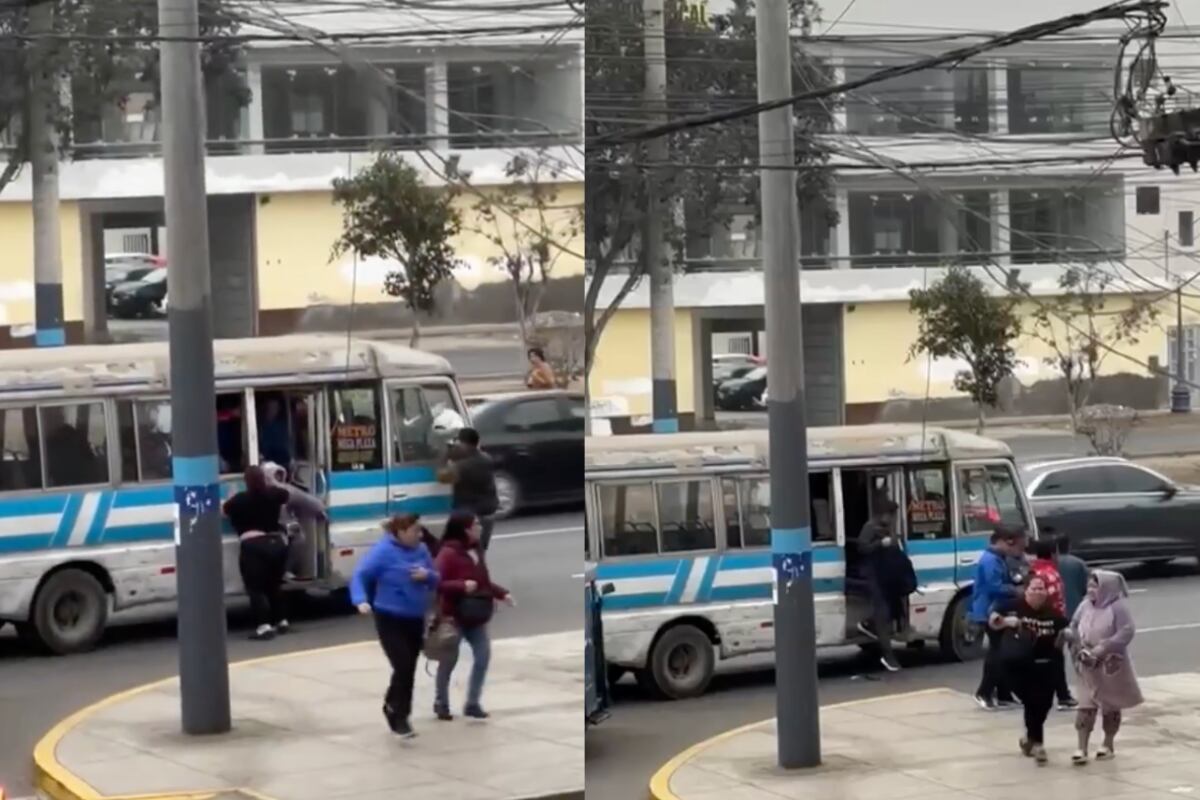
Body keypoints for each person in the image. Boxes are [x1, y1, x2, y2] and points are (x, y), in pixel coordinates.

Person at [350, 513, 439, 738]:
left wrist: (426, 575)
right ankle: (398, 716)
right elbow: (360, 574)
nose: (419, 535)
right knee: (403, 664)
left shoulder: (422, 550)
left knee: (409, 668)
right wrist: (360, 599)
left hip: (415, 617)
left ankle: (395, 706)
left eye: (420, 530)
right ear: (400, 532)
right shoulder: (383, 552)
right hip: (390, 617)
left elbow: (437, 578)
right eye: (414, 531)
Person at [223, 465, 326, 640]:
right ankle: (282, 621)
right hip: (276, 543)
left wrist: (230, 496)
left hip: (253, 545)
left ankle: (264, 627)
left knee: (256, 589)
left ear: (245, 481)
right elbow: (287, 494)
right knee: (274, 586)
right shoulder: (274, 495)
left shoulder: (239, 500)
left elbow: (225, 510)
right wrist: (275, 483)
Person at [433, 510, 515, 721]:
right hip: (455, 615)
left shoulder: (476, 550)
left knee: (483, 657)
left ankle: (472, 702)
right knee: (449, 661)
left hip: (477, 615)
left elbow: (483, 580)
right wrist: (461, 586)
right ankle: (441, 702)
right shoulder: (448, 553)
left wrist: (501, 593)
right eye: (475, 525)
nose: (480, 528)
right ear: (465, 529)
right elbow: (437, 582)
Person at [989, 575, 1070, 765]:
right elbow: (994, 619)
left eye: (1042, 589)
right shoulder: (1014, 606)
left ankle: (1030, 741)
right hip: (1018, 666)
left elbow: (1065, 631)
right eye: (1034, 588)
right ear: (1026, 591)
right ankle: (1038, 744)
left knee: (1043, 705)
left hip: (1046, 666)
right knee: (1032, 702)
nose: (1038, 592)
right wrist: (1006, 621)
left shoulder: (1053, 613)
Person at [1066, 570, 1143, 765]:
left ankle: (1108, 744)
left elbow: (1126, 632)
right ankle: (1081, 748)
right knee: (1086, 705)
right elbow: (1073, 625)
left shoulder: (1118, 608)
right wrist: (1076, 643)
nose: (1091, 590)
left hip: (1111, 666)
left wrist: (1103, 648)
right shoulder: (1085, 605)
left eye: (1095, 586)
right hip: (1086, 664)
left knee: (1110, 704)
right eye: (1090, 585)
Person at [970, 526, 1025, 710]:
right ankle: (984, 691)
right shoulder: (990, 561)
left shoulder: (999, 559)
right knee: (997, 653)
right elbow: (994, 586)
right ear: (1006, 541)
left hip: (998, 609)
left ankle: (1004, 693)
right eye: (1014, 545)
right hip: (989, 611)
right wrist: (1016, 591)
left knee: (1003, 651)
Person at [854, 499, 906, 673]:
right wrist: (879, 544)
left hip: (885, 576)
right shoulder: (870, 527)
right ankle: (888, 656)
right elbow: (862, 547)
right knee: (883, 615)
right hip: (873, 576)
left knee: (890, 611)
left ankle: (870, 624)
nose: (892, 519)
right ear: (884, 514)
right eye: (891, 515)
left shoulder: (887, 528)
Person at [1029, 539, 1078, 710]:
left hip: (1032, 622)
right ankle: (1063, 696)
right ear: (1052, 554)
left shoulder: (1031, 571)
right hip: (1052, 622)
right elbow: (1055, 602)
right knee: (1055, 659)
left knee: (1037, 659)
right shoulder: (1050, 574)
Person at [439, 428, 500, 550]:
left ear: (463, 444)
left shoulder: (461, 467)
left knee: (456, 549)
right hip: (488, 512)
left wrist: (445, 455)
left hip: (466, 515)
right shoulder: (487, 459)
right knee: (480, 550)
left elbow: (441, 477)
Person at [1056, 536, 1089, 622]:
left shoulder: (1052, 563)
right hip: (1075, 607)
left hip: (1057, 609)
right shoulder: (1079, 563)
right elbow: (1085, 588)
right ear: (1069, 546)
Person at [257, 396, 292, 472]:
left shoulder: (281, 426)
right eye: (271, 407)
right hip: (265, 463)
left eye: (276, 407)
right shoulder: (260, 425)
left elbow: (285, 445)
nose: (273, 410)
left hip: (281, 462)